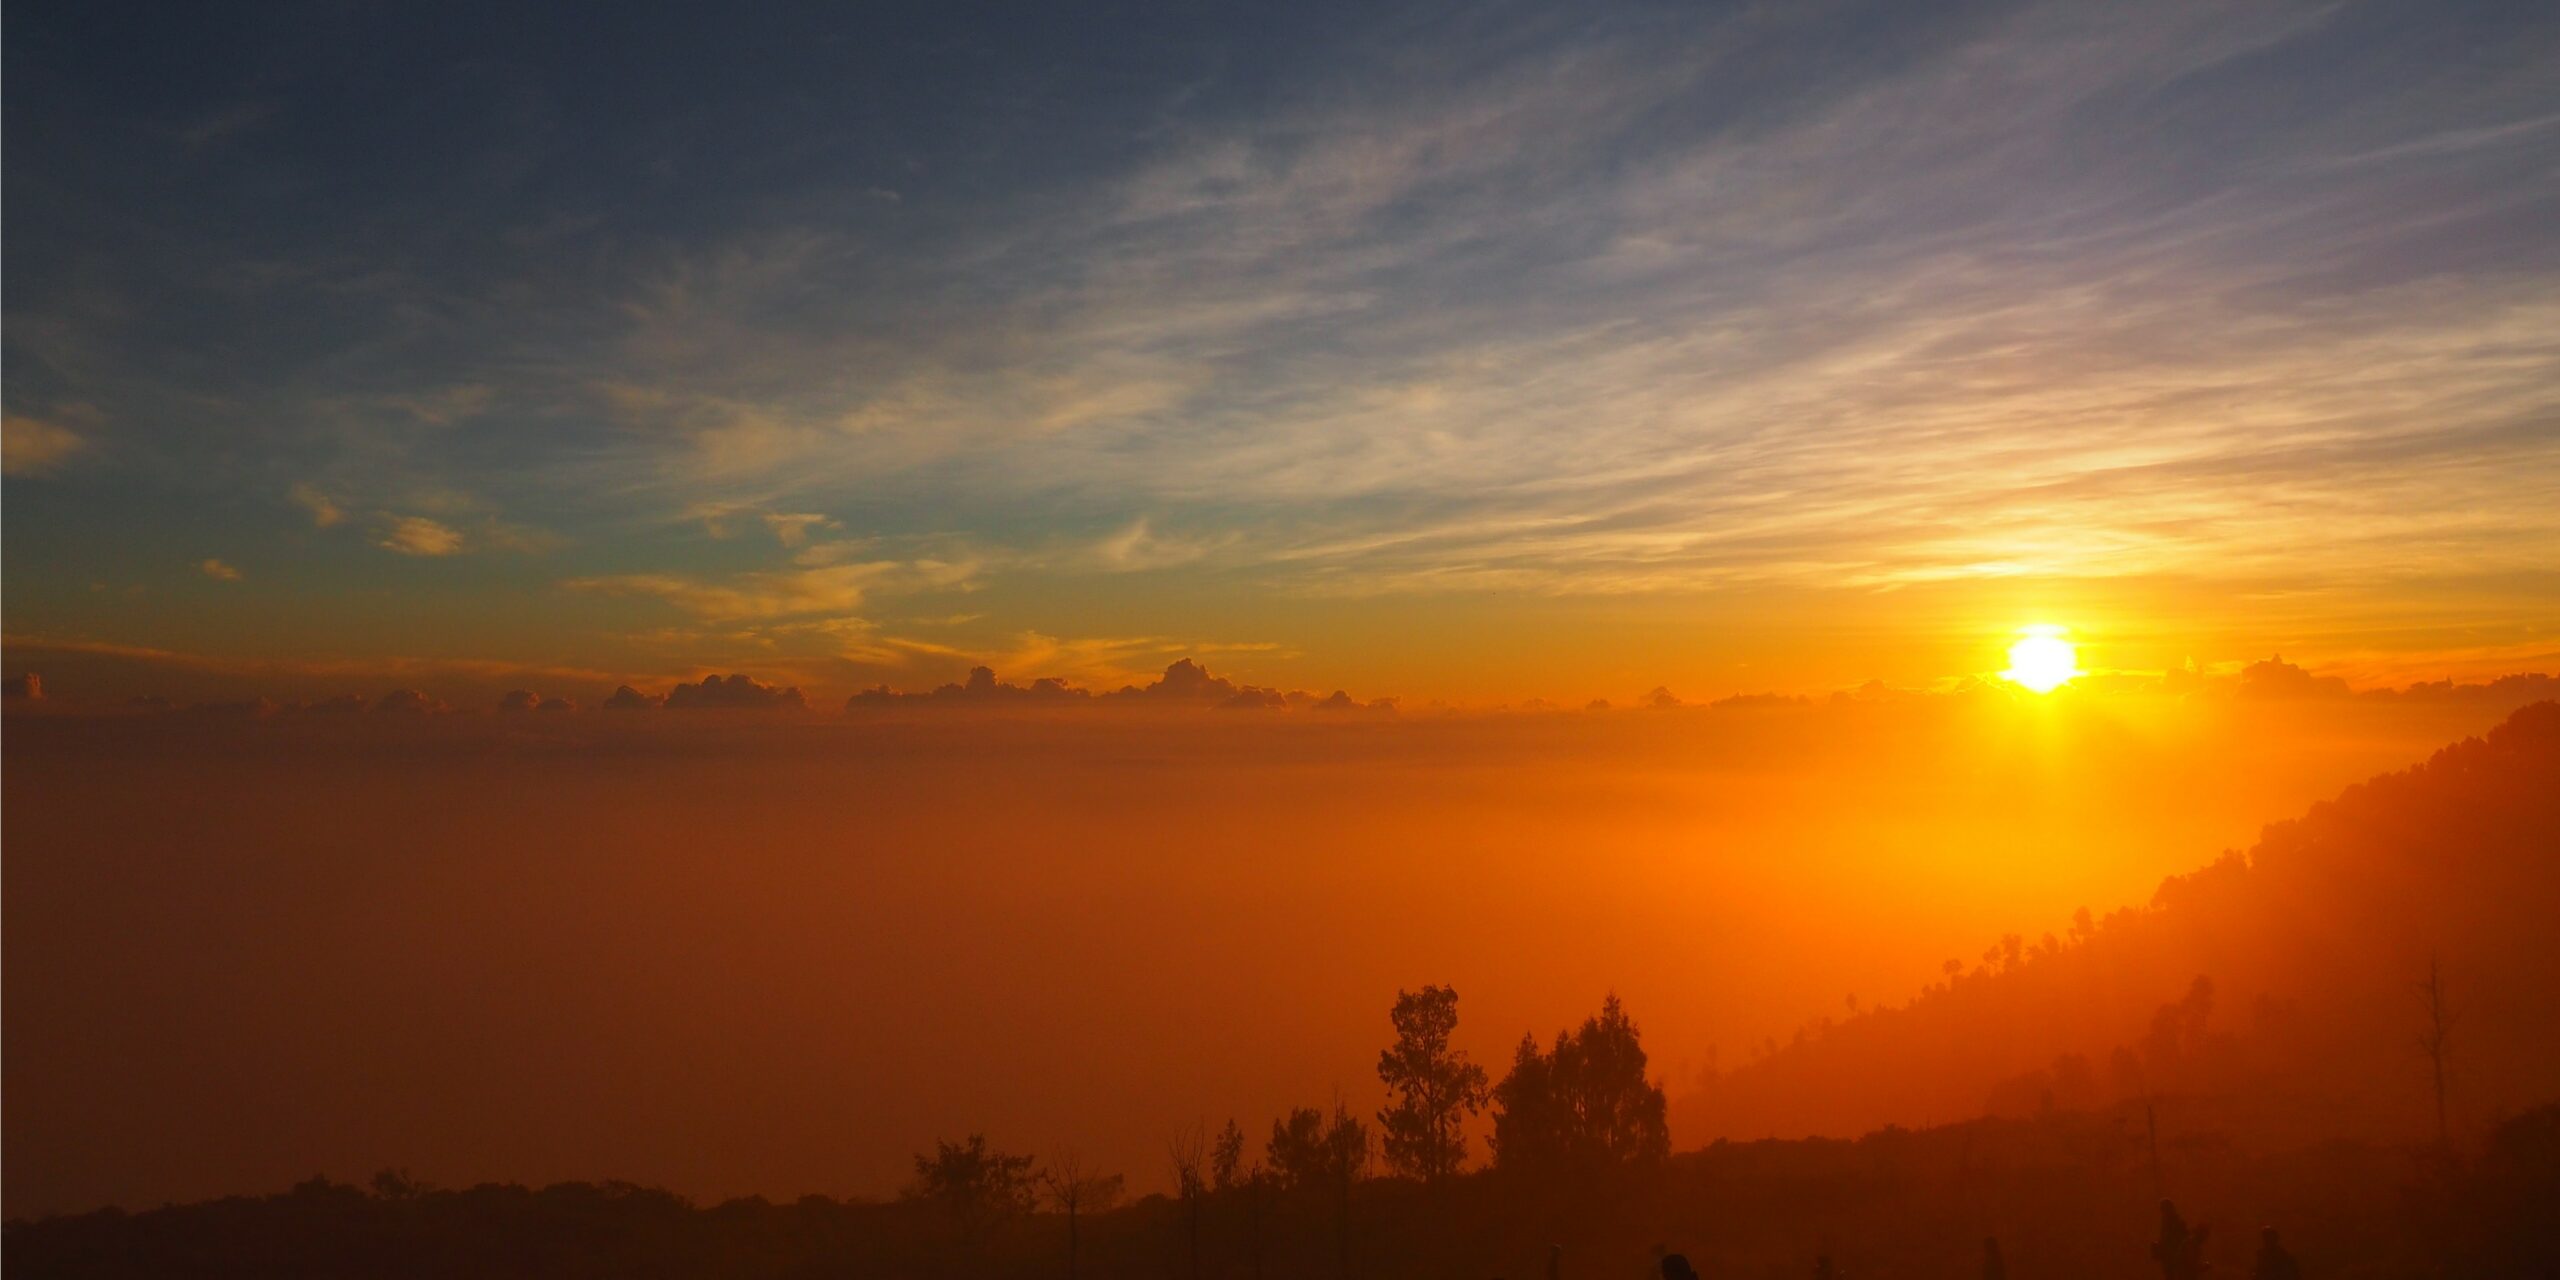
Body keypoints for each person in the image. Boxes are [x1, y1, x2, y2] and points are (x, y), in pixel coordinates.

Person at [2152, 1199, 2209, 1280]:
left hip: (2174, 1260)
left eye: (2165, 1210)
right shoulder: (2167, 1224)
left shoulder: (2176, 1223)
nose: (2164, 1213)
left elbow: (2181, 1240)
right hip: (2170, 1259)